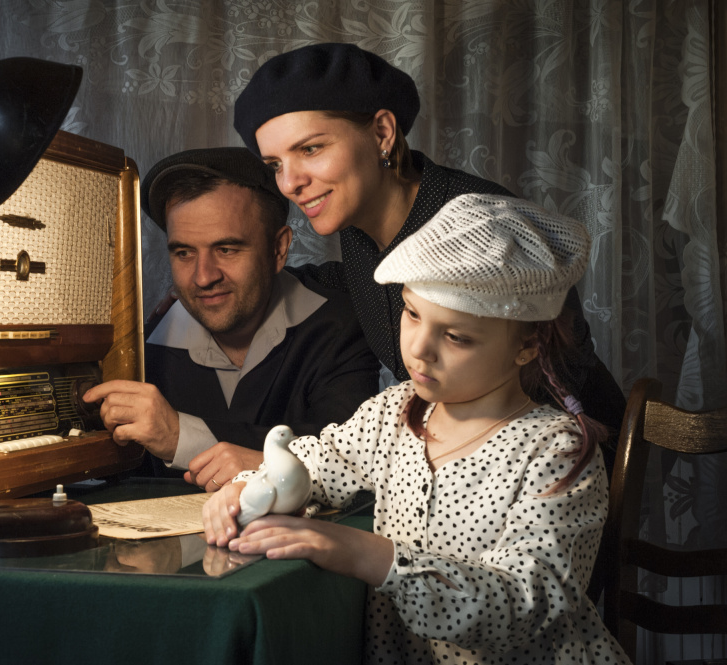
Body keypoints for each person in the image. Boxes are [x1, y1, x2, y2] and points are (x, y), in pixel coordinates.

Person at [203, 193, 632, 665]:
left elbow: (528, 605)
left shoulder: (557, 452)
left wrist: (369, 555)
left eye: (455, 336)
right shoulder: (395, 412)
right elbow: (317, 462)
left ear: (527, 345)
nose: (419, 349)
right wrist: (247, 489)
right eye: (412, 314)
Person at [232, 42, 626, 474]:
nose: (290, 183)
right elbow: (361, 283)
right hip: (452, 468)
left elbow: (544, 389)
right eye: (275, 164)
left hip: (557, 470)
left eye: (310, 149)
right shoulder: (361, 226)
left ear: (382, 133)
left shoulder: (482, 228)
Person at [84, 147, 379, 491]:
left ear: (279, 249)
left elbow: (354, 463)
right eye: (184, 253)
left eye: (227, 249)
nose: (203, 277)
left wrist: (179, 436)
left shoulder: (342, 324)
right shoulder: (141, 352)